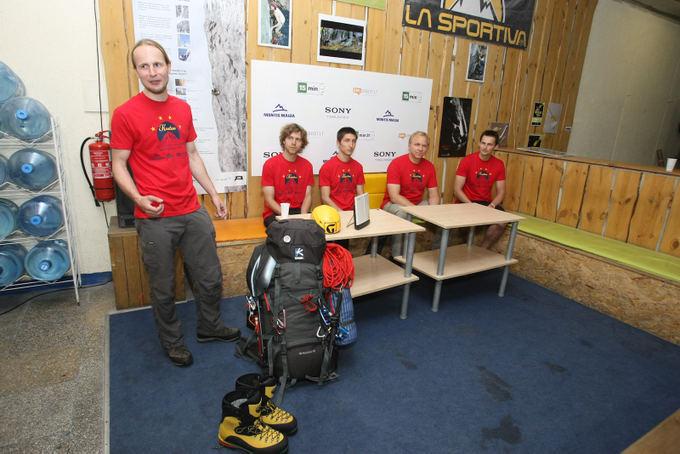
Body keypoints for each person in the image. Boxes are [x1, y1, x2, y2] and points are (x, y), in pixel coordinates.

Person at [110, 39, 240, 367]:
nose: (152, 72)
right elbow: (118, 164)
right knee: (164, 287)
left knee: (209, 277)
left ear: (168, 67)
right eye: (144, 66)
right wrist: (138, 197)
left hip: (191, 209)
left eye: (158, 64)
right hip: (154, 216)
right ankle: (173, 342)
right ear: (136, 71)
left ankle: (210, 327)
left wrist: (211, 192)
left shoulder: (181, 108)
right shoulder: (125, 114)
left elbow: (192, 154)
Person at [380, 131, 440, 256]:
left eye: (424, 146)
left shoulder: (429, 166)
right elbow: (394, 196)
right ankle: (397, 257)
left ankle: (437, 253)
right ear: (409, 145)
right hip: (392, 205)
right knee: (403, 214)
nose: (420, 149)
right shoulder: (396, 163)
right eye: (417, 144)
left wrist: (434, 211)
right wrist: (415, 211)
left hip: (416, 205)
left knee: (442, 211)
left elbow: (434, 195)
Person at [453, 129, 507, 249]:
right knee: (466, 224)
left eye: (489, 144)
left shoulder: (499, 164)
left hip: (486, 203)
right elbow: (457, 190)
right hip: (466, 201)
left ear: (496, 147)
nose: (485, 147)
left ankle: (483, 250)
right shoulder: (467, 160)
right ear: (479, 143)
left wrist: (492, 205)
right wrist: (471, 205)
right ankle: (464, 250)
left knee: (502, 222)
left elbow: (501, 192)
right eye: (483, 143)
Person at [261, 123, 314, 227]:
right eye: (290, 138)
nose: (293, 142)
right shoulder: (270, 164)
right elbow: (269, 199)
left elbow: (308, 196)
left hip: (299, 212)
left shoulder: (307, 165)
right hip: (275, 213)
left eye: (298, 139)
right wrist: (288, 217)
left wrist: (302, 217)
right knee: (286, 230)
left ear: (302, 143)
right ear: (284, 140)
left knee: (313, 231)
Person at [319, 127, 365, 212]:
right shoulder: (327, 167)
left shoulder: (358, 167)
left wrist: (360, 213)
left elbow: (360, 195)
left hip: (352, 213)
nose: (351, 145)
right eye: (347, 140)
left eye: (354, 141)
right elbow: (325, 198)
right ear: (338, 143)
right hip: (332, 213)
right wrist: (342, 213)